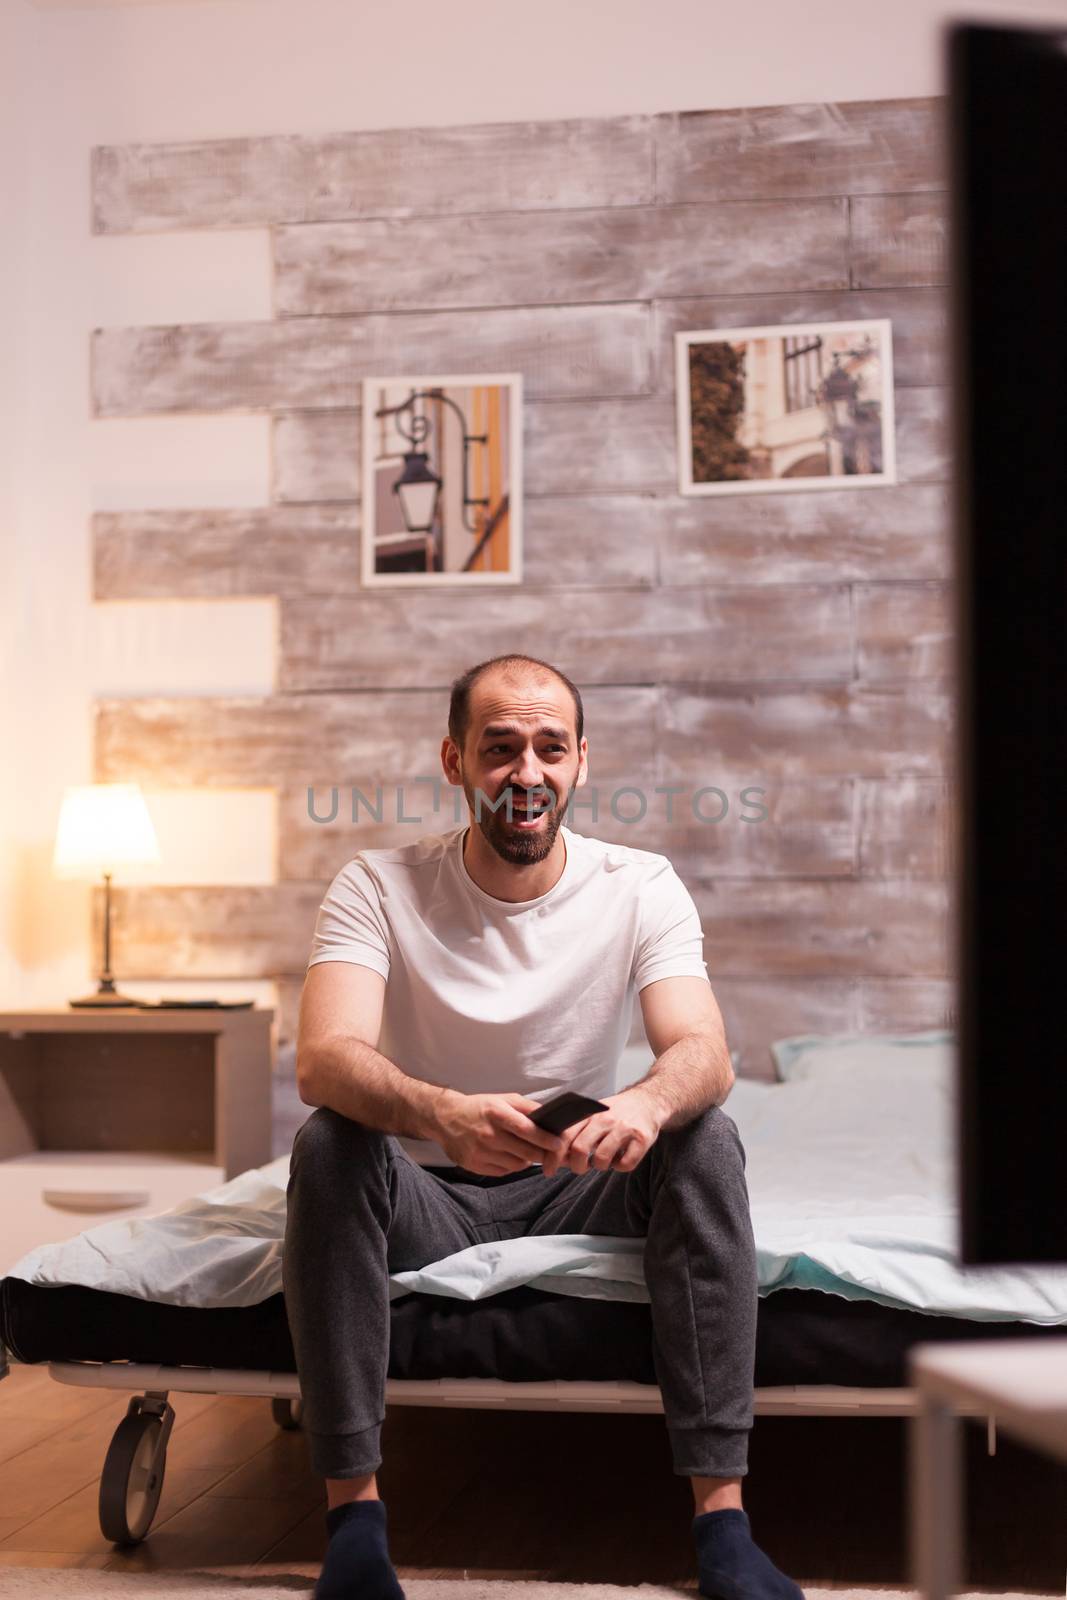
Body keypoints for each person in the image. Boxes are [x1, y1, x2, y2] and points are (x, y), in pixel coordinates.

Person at [283, 653, 805, 1600]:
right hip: (430, 1192)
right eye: (500, 749)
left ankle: (722, 1525)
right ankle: (353, 1524)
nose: (527, 772)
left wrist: (642, 1103)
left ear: (579, 764)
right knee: (328, 1140)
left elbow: (703, 1051)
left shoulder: (640, 885)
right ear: (453, 762)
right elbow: (321, 1059)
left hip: (581, 1183)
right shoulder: (375, 885)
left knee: (706, 1134)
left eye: (549, 748)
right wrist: (439, 1112)